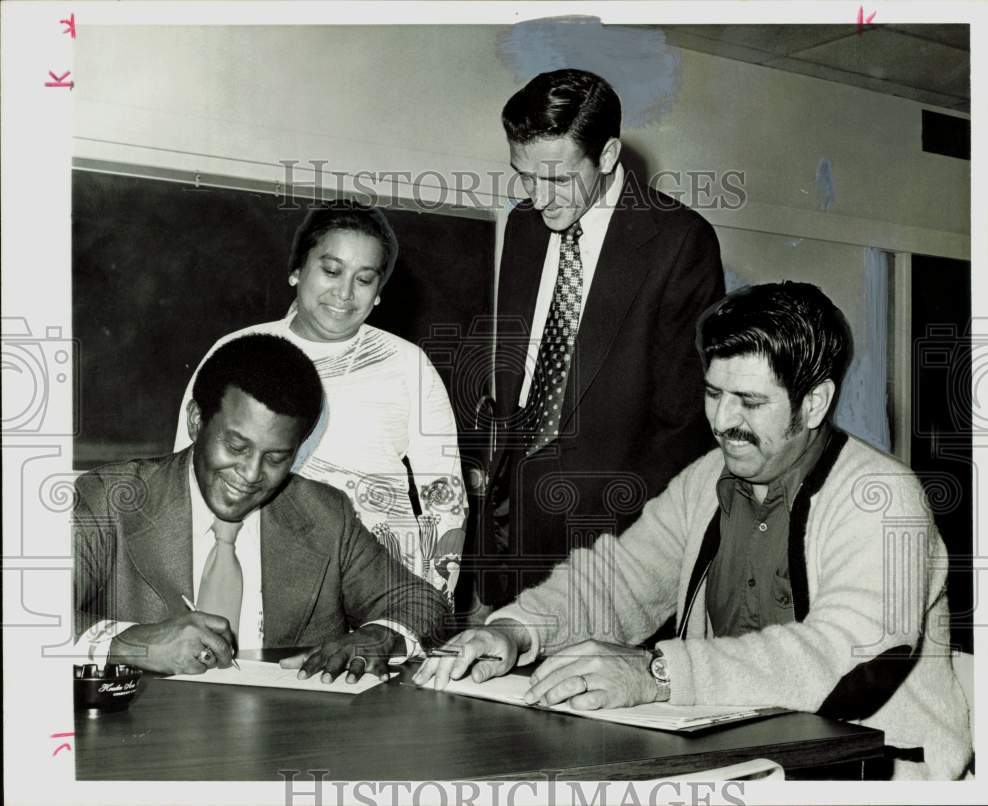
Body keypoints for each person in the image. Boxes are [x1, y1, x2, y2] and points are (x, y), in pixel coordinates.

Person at [417, 283, 973, 780]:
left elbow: (850, 657)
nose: (722, 421)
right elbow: (620, 579)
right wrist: (516, 632)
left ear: (815, 403)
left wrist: (659, 672)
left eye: (751, 402)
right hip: (742, 758)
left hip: (877, 772)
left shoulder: (882, 496)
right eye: (713, 393)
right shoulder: (706, 479)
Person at [477, 68, 725, 609]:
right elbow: (515, 366)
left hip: (613, 532)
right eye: (525, 176)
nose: (539, 200)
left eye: (558, 180)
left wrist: (628, 540)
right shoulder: (522, 227)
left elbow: (683, 421)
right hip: (514, 515)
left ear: (608, 155)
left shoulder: (679, 241)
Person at [75, 334, 447, 681]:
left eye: (276, 457)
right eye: (236, 447)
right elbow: (26, 616)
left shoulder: (326, 515)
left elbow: (419, 601)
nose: (251, 474)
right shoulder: (110, 499)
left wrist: (382, 636)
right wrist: (134, 644)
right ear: (195, 421)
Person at [174, 203, 466, 605]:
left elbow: (445, 495)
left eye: (364, 279)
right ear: (296, 269)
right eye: (331, 271)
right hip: (260, 581)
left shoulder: (407, 364)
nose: (344, 293)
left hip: (379, 588)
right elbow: (186, 476)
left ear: (378, 293)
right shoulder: (238, 352)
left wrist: (427, 606)